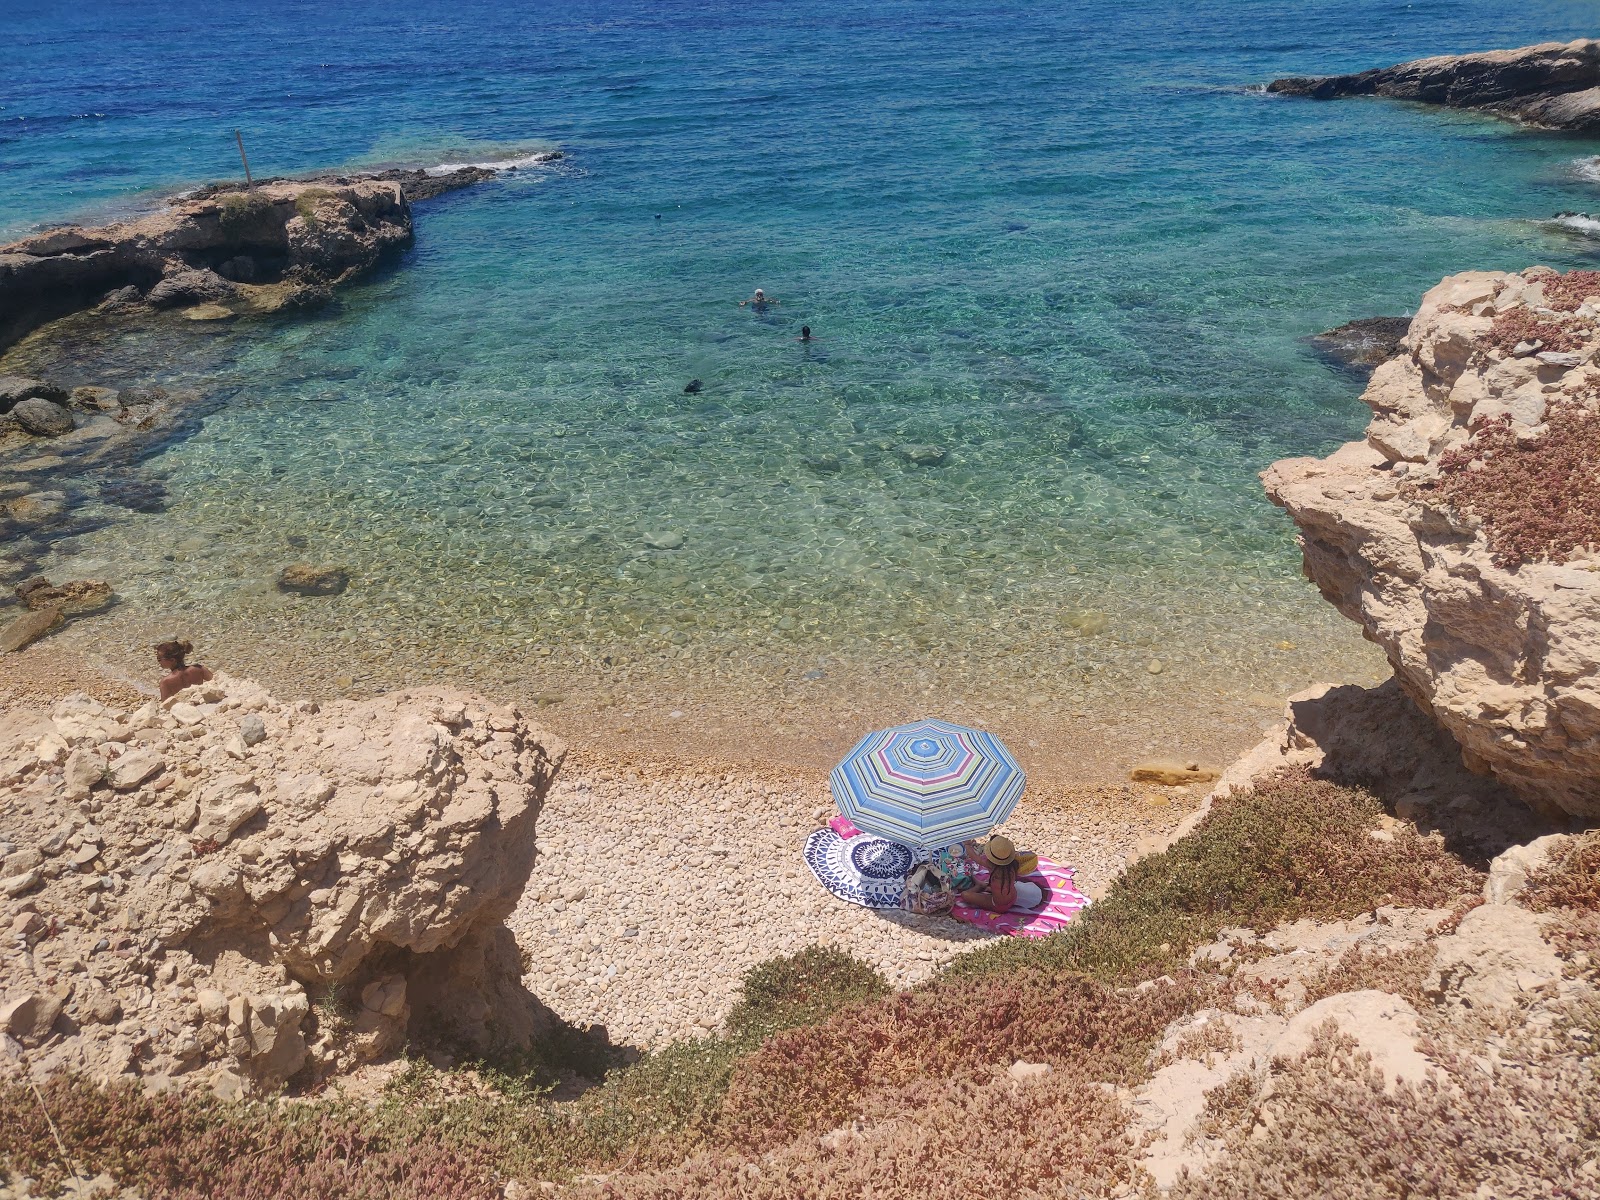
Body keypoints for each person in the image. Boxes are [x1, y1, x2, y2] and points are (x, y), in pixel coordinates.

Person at [960, 835, 1043, 913]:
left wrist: (967, 845)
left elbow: (975, 858)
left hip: (998, 905)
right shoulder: (1013, 864)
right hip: (1013, 897)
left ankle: (980, 886)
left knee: (965, 895)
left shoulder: (992, 866)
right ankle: (984, 886)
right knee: (998, 886)